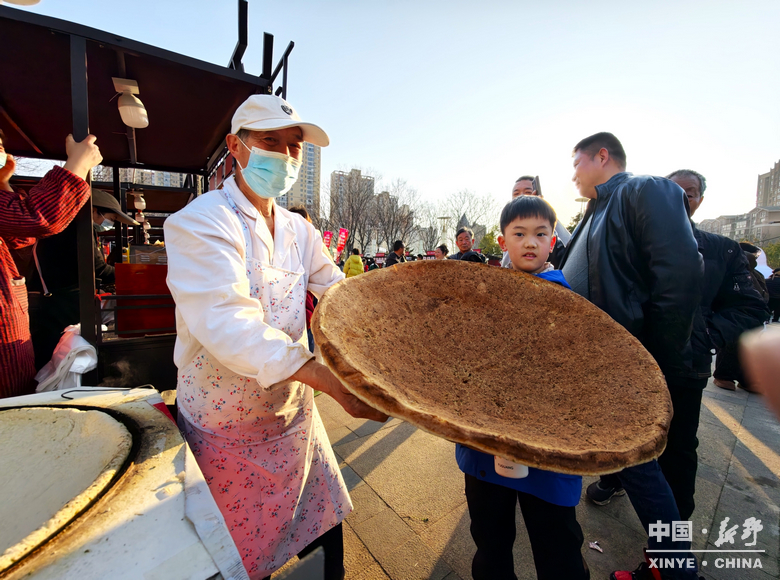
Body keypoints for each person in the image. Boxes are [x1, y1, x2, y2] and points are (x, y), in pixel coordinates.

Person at [164, 94, 388, 580]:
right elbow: (228, 322)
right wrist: (328, 381)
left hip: (293, 420)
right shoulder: (201, 222)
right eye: (271, 141)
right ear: (236, 147)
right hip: (227, 429)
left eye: (295, 147)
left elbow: (338, 296)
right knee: (244, 563)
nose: (285, 157)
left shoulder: (298, 229)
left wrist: (387, 340)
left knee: (326, 551)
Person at [559, 132, 702, 580]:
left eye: (577, 161)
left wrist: (652, 360)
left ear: (603, 156)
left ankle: (678, 570)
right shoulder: (591, 214)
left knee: (641, 468)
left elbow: (678, 276)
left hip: (624, 365)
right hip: (590, 366)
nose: (574, 172)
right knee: (632, 465)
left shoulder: (646, 189)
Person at [457, 195, 589, 580]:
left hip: (548, 454)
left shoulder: (569, 304)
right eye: (520, 233)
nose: (529, 242)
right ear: (503, 242)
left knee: (559, 548)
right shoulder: (484, 295)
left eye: (540, 234)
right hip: (485, 448)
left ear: (552, 241)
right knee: (490, 541)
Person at [633, 169, 768, 521]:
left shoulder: (721, 250)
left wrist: (703, 333)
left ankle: (670, 553)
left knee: (677, 451)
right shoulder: (634, 245)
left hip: (684, 368)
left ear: (700, 200)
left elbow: (752, 306)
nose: (681, 199)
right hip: (633, 363)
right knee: (626, 437)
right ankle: (614, 479)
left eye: (689, 193)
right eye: (671, 193)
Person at [0, 130, 102, 398]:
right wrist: (77, 166)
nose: (4, 154)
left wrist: (3, 184)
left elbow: (21, 235)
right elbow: (37, 217)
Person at [23, 188, 139, 369]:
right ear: (94, 210)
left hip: (55, 297)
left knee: (53, 356)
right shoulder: (79, 226)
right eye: (110, 218)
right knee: (58, 356)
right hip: (59, 301)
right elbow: (98, 267)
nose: (108, 223)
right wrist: (135, 275)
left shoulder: (68, 224)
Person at [710, 241, 771, 392]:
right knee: (733, 343)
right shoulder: (735, 266)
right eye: (755, 255)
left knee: (750, 346)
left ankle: (745, 377)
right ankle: (724, 375)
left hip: (752, 313)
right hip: (734, 312)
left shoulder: (753, 272)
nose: (756, 258)